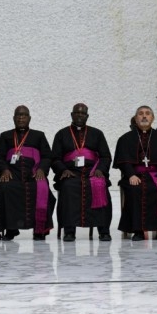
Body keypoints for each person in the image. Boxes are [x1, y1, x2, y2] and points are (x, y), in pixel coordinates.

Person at [51, 103, 113, 242]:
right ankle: (69, 230)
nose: (80, 115)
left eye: (83, 113)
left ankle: (103, 230)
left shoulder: (97, 133)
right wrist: (63, 170)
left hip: (93, 172)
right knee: (68, 186)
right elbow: (55, 158)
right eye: (77, 113)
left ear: (87, 116)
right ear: (72, 115)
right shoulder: (61, 134)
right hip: (71, 172)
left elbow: (105, 156)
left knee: (100, 185)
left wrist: (100, 170)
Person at [0, 105, 56, 241]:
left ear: (29, 118)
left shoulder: (39, 135)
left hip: (33, 173)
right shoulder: (5, 136)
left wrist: (41, 169)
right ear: (13, 118)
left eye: (24, 115)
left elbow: (47, 156)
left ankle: (39, 230)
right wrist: (4, 170)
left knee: (40, 188)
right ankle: (10, 228)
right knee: (5, 187)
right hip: (13, 173)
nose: (21, 118)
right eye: (18, 115)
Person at [113, 105, 157, 240]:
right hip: (135, 175)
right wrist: (131, 175)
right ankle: (138, 230)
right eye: (140, 114)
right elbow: (124, 162)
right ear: (136, 118)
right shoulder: (125, 139)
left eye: (147, 114)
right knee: (134, 189)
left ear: (152, 118)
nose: (144, 116)